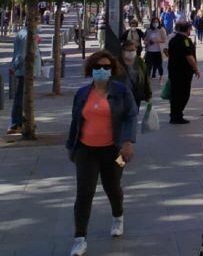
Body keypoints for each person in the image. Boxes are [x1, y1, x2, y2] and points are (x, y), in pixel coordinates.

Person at [66, 50, 138, 256]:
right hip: (85, 150)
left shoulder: (121, 91)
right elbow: (75, 122)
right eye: (97, 67)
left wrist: (128, 142)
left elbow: (131, 116)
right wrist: (71, 147)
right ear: (91, 70)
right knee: (84, 193)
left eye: (106, 67)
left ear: (112, 70)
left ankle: (118, 216)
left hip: (113, 149)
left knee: (113, 187)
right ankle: (80, 238)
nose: (102, 71)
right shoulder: (82, 94)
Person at [8, 26, 42, 135]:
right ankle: (16, 124)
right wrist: (14, 67)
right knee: (21, 97)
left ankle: (24, 122)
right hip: (25, 70)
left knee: (23, 96)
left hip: (27, 70)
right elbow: (21, 55)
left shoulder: (27, 34)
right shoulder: (26, 35)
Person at [166, 21, 200, 124]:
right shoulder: (185, 40)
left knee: (175, 93)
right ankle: (177, 115)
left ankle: (174, 114)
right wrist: (196, 69)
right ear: (187, 29)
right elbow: (189, 56)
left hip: (173, 70)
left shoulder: (173, 39)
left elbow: (168, 53)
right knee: (183, 94)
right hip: (183, 72)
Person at [116, 40, 151, 110]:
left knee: (134, 115)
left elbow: (146, 78)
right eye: (128, 50)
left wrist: (148, 95)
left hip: (136, 95)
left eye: (133, 50)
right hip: (120, 95)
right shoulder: (116, 62)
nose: (131, 52)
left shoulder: (139, 61)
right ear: (123, 51)